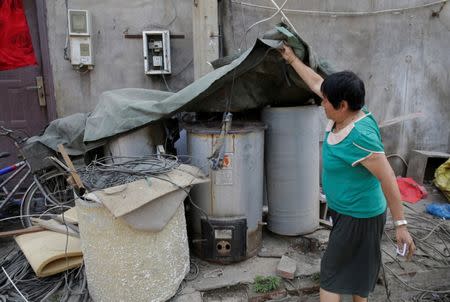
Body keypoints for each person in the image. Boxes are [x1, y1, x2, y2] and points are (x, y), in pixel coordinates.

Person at [279, 44, 416, 302]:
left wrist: (401, 225)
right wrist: (292, 59)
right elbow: (317, 82)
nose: (322, 103)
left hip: (360, 217)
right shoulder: (345, 115)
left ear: (342, 105)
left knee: (331, 274)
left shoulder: (359, 137)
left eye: (326, 101)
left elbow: (387, 178)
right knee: (358, 272)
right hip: (346, 212)